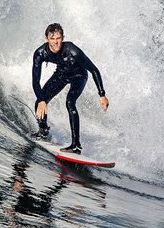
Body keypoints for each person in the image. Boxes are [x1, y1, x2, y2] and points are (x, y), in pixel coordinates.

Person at [31, 23, 108, 154]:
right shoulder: (40, 53)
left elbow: (94, 70)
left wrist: (102, 94)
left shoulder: (72, 50)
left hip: (79, 75)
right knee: (39, 102)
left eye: (58, 38)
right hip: (61, 74)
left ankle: (76, 145)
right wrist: (42, 100)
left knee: (70, 102)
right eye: (52, 39)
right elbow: (35, 81)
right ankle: (43, 131)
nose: (56, 42)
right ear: (46, 39)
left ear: (63, 37)